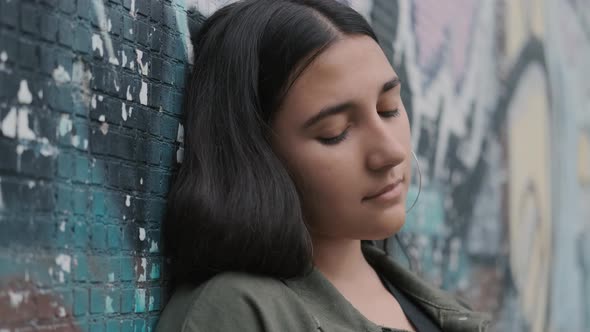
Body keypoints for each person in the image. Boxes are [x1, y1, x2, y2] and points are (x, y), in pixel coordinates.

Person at [157, 0, 491, 331]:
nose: (390, 152)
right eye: (335, 133)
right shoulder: (237, 313)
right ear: (258, 153)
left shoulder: (444, 310)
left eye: (388, 108)